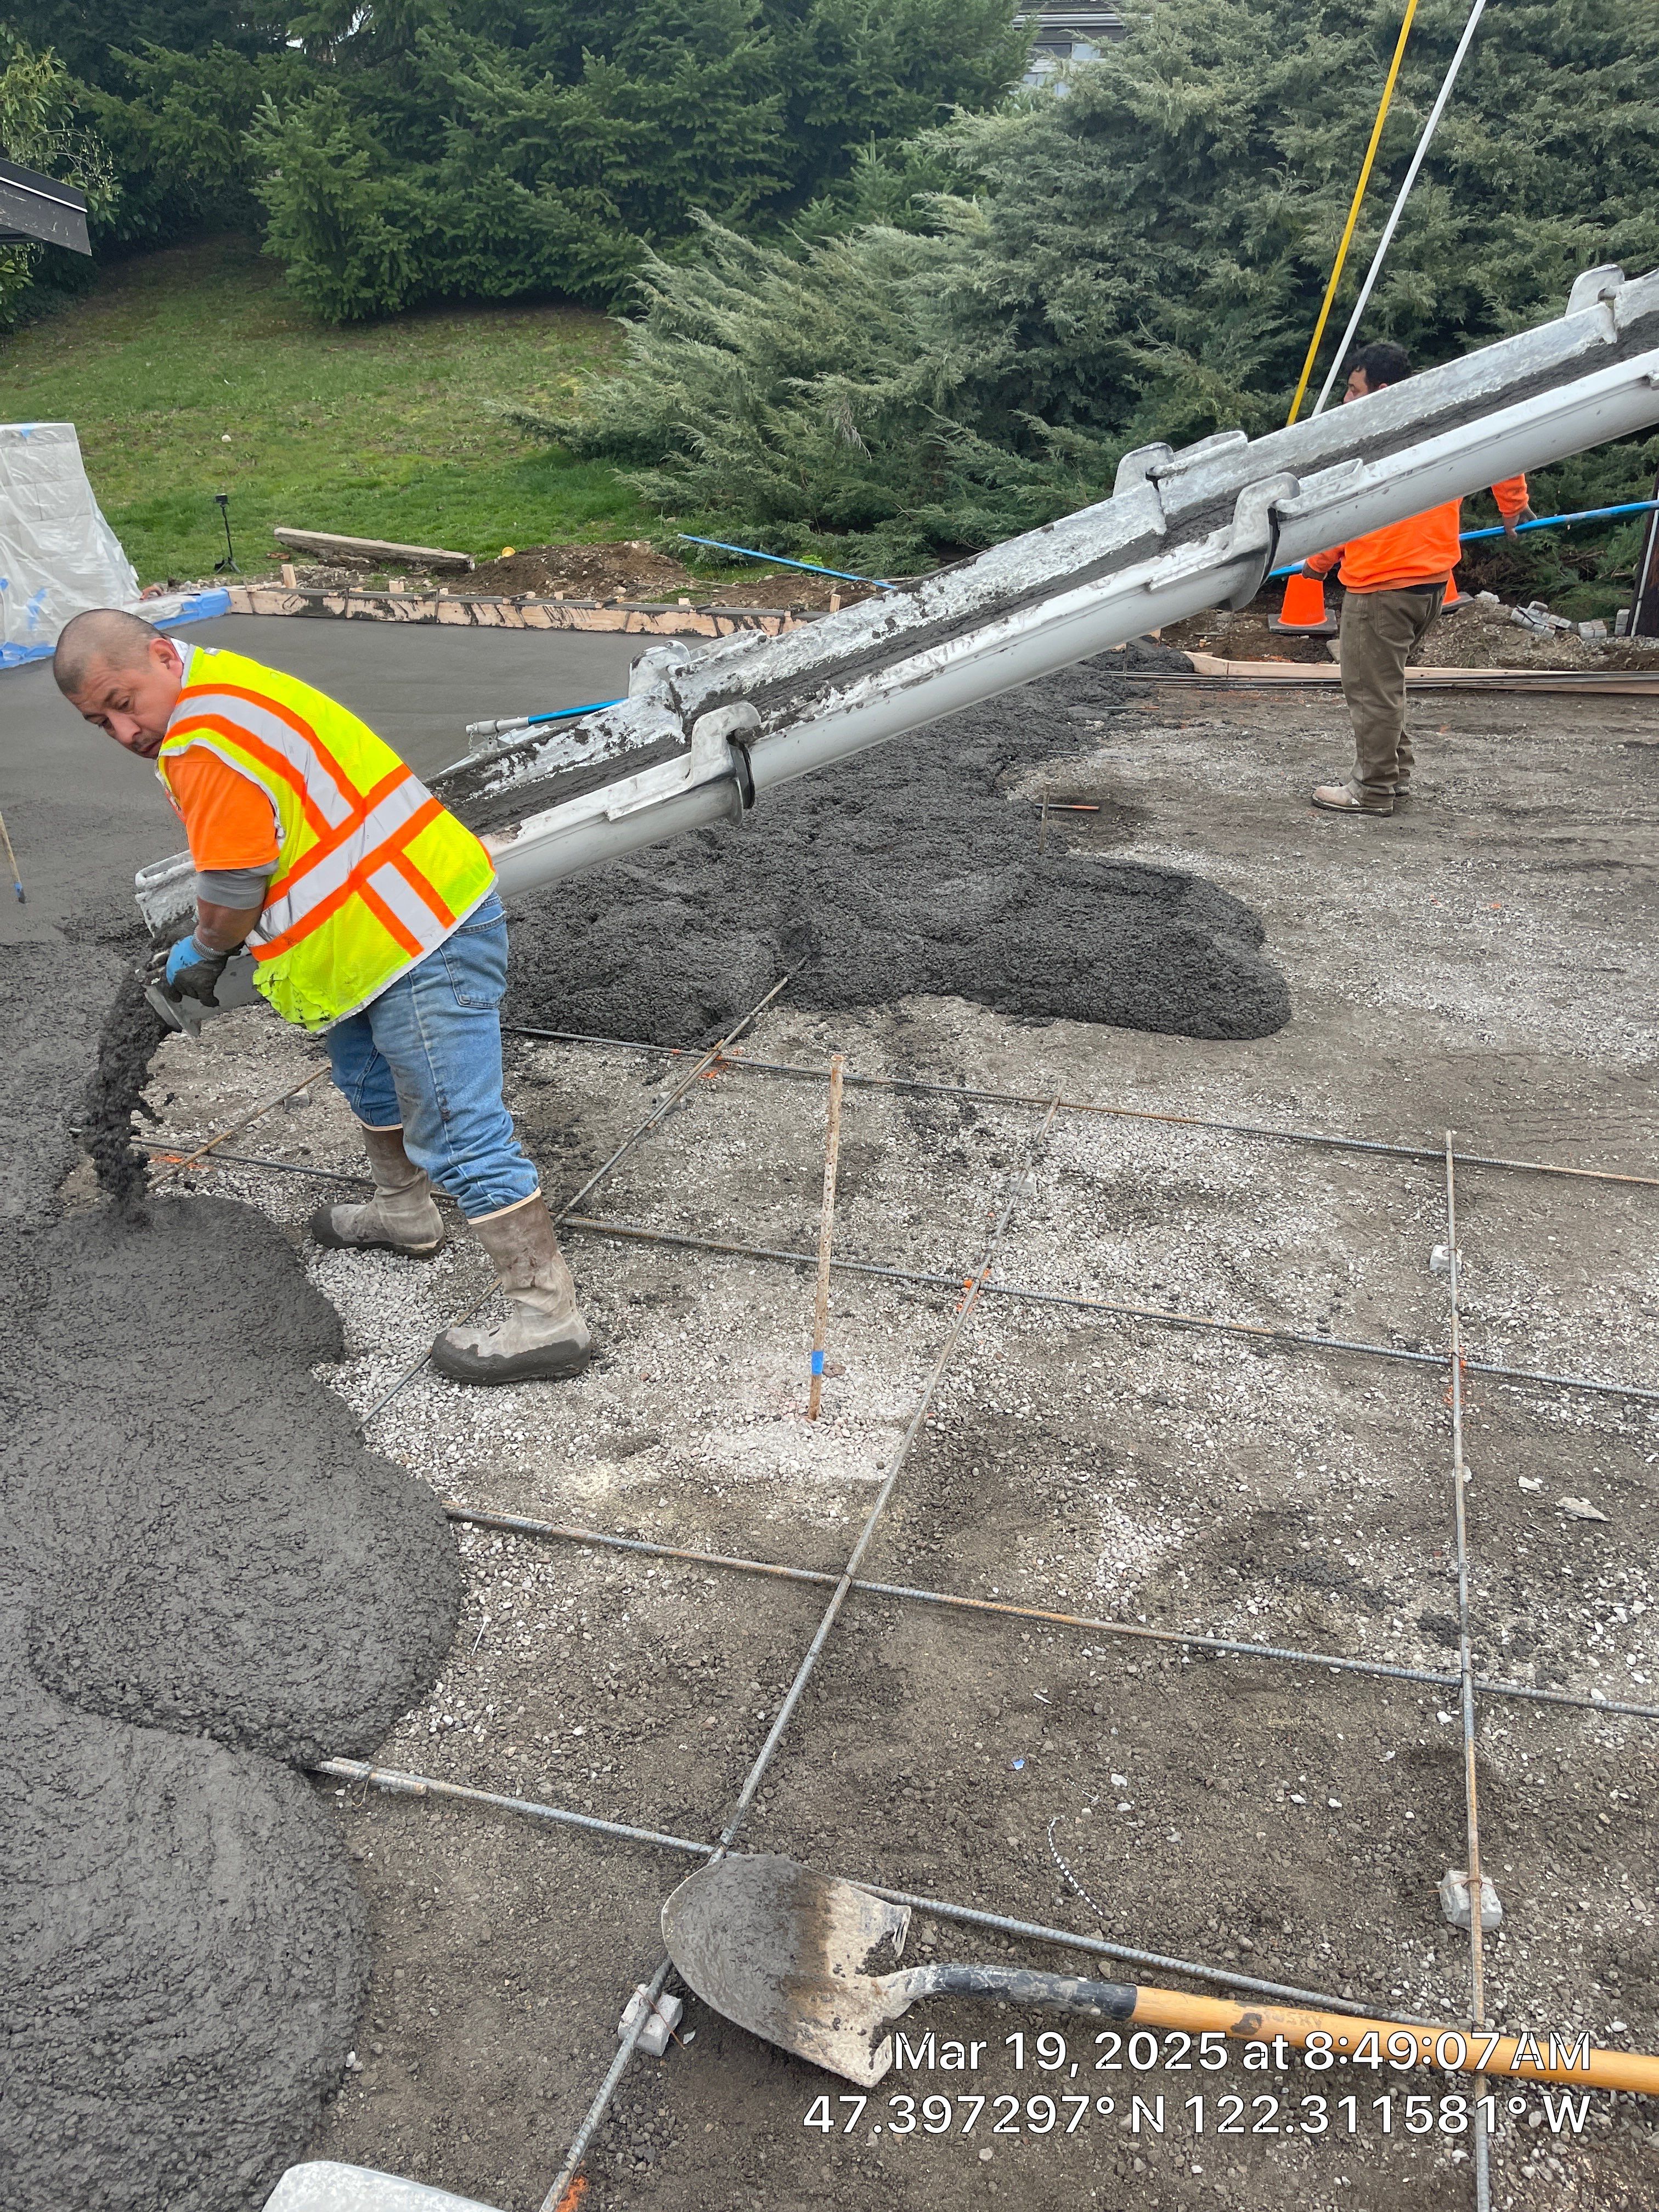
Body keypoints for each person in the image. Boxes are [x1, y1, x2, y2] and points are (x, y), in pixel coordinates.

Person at [53, 607, 592, 1386]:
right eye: (97, 721)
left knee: (456, 1123)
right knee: (368, 1078)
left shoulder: (204, 740)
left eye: (123, 700)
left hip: (418, 936)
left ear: (162, 657)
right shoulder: (222, 684)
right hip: (369, 939)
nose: (124, 730)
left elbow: (234, 888)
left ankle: (548, 1318)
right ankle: (405, 1213)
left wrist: (203, 954)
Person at [1306, 341, 1534, 817]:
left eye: (1353, 390)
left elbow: (1347, 513)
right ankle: (1395, 775)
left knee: (1371, 690)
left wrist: (1318, 563)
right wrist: (1512, 505)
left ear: (1383, 391)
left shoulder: (1374, 441)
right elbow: (1504, 440)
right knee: (1385, 686)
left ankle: (1372, 791)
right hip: (1429, 582)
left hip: (1384, 583)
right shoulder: (1441, 423)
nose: (1346, 400)